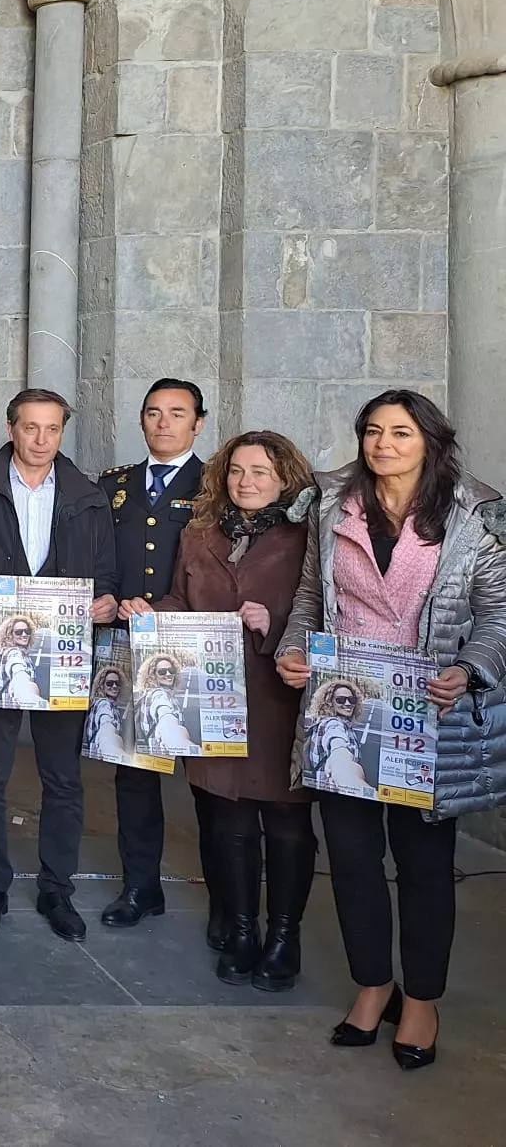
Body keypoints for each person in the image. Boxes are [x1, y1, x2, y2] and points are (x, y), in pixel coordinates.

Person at [277, 390, 506, 1069]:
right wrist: (295, 649)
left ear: (431, 441)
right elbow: (312, 597)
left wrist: (469, 668)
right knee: (350, 857)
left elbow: (499, 611)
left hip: (425, 709)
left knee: (424, 863)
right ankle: (373, 986)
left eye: (400, 433)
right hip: (345, 702)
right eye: (373, 432)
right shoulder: (332, 502)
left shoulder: (475, 514)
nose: (383, 445)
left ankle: (424, 999)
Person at [126, 429, 317, 988]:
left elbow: (330, 614)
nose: (246, 482)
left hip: (279, 697)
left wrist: (276, 626)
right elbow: (183, 603)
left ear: (285, 478)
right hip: (210, 700)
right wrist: (150, 611)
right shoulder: (199, 534)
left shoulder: (309, 537)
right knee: (226, 821)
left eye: (260, 472)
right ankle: (239, 929)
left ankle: (284, 936)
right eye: (237, 471)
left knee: (287, 823)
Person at [0, 388, 117, 943]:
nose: (41, 439)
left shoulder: (88, 498)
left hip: (64, 657)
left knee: (63, 779)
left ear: (62, 433)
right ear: (11, 428)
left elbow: (108, 573)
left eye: (52, 429)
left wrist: (107, 602)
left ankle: (57, 888)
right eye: (31, 428)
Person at [98, 379, 208, 932]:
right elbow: (99, 553)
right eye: (153, 413)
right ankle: (140, 886)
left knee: (212, 780)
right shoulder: (114, 484)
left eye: (177, 413)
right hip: (128, 638)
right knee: (134, 770)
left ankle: (228, 902)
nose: (164, 423)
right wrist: (109, 599)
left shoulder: (217, 484)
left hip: (194, 642)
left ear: (198, 424)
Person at [132, 654, 193, 754]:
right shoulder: (158, 695)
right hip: (164, 756)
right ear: (152, 675)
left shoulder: (152, 693)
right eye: (162, 672)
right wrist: (174, 736)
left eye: (171, 670)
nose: (168, 674)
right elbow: (165, 716)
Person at [84, 662, 126, 757]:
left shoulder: (106, 704)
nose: (114, 686)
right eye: (109, 683)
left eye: (117, 683)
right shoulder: (104, 704)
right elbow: (106, 724)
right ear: (101, 686)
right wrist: (113, 750)